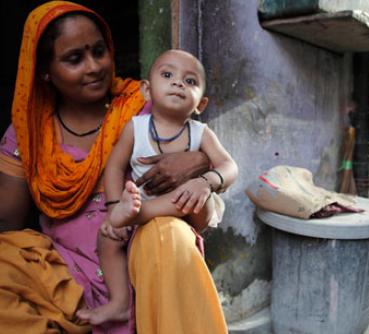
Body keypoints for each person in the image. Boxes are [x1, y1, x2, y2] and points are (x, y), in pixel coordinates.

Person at [0, 2, 228, 334]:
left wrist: (200, 162)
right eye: (74, 59)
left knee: (170, 233)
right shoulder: (29, 132)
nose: (93, 66)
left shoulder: (144, 107)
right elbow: (8, 219)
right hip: (69, 268)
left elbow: (205, 159)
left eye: (99, 51)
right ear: (45, 71)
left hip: (142, 256)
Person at [76, 49, 238, 325]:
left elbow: (230, 167)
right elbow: (113, 168)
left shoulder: (201, 133)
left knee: (186, 194)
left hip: (193, 207)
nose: (178, 83)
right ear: (147, 91)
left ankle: (138, 213)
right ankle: (119, 303)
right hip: (143, 209)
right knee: (107, 236)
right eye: (167, 75)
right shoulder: (136, 128)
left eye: (190, 81)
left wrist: (205, 181)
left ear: (201, 103)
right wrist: (114, 208)